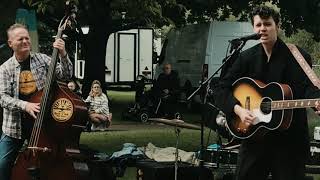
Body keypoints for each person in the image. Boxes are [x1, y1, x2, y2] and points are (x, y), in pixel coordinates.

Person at [214, 5, 320, 180]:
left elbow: (310, 88)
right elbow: (220, 88)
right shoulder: (246, 57)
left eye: (267, 24)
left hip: (289, 141)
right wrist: (237, 109)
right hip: (255, 138)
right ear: (253, 28)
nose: (262, 28)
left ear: (277, 26)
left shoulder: (298, 56)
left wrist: (316, 100)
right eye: (258, 25)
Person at [0, 23, 73, 180]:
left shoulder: (42, 59)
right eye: (20, 39)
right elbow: (3, 98)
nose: (26, 41)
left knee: (49, 165)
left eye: (27, 38)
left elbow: (66, 76)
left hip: (42, 125)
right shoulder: (5, 69)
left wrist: (63, 54)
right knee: (3, 164)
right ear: (10, 43)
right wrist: (25, 105)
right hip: (15, 127)